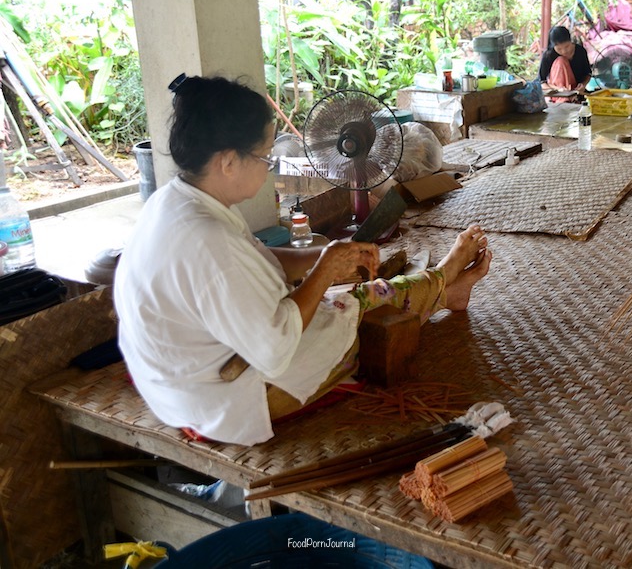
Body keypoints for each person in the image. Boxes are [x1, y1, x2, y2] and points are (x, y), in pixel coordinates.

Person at [114, 75, 492, 446]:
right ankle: (443, 284)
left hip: (173, 383)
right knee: (355, 307)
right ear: (228, 162)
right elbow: (274, 350)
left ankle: (442, 288)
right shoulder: (208, 242)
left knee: (347, 301)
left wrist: (322, 256)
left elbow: (257, 258)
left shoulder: (176, 201)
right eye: (264, 155)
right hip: (225, 398)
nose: (269, 167)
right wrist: (325, 272)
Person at [539, 26, 592, 99]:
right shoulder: (549, 55)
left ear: (570, 40)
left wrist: (583, 85)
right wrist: (556, 90)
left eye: (567, 46)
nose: (564, 51)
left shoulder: (580, 51)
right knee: (561, 60)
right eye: (559, 49)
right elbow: (542, 82)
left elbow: (587, 74)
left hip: (576, 92)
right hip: (556, 93)